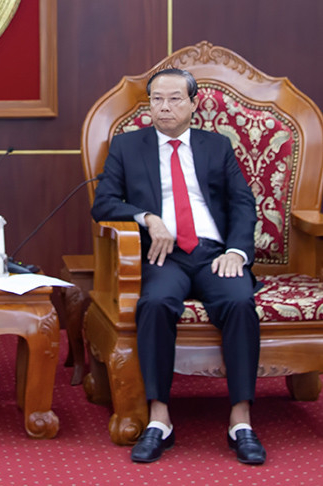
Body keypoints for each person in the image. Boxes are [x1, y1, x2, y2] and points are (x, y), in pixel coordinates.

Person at [91, 68, 265, 465]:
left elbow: (241, 203)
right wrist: (147, 217)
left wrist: (237, 252)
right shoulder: (126, 146)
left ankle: (241, 421)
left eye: (173, 99)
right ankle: (159, 419)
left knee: (239, 303)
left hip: (213, 254)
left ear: (193, 104)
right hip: (162, 256)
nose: (164, 107)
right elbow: (103, 204)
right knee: (153, 304)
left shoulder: (216, 146)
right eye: (156, 99)